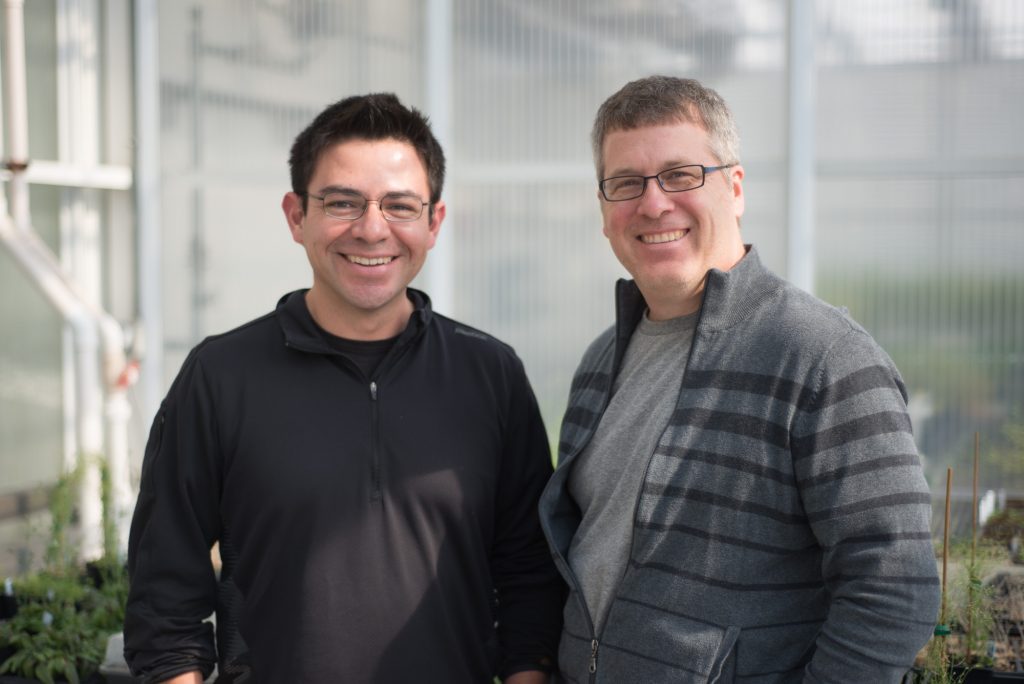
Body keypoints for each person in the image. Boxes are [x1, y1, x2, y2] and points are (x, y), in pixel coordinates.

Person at [125, 93, 563, 684]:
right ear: (295, 216)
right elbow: (164, 592)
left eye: (400, 206)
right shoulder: (221, 375)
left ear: (433, 223)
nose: (371, 229)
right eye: (342, 202)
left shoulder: (491, 374)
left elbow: (529, 576)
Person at [538, 76, 940, 682]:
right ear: (604, 210)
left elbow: (893, 588)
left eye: (681, 174)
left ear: (735, 187)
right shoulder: (600, 361)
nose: (653, 204)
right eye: (626, 183)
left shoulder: (822, 356)